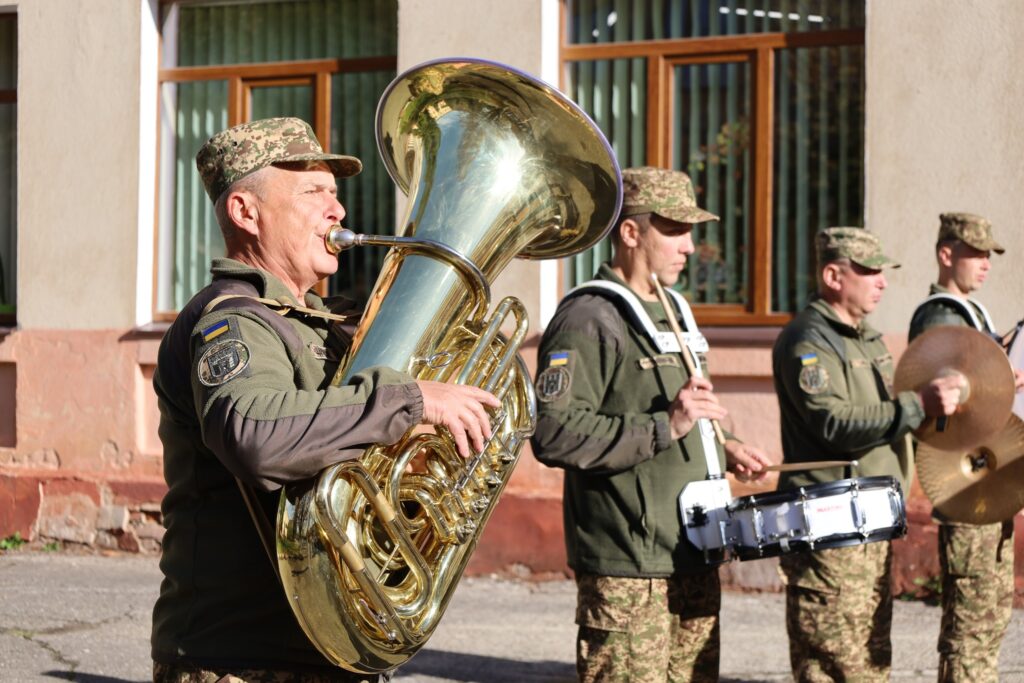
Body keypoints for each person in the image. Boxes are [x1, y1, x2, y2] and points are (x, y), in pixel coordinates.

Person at [150, 117, 499, 683]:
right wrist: (407, 401)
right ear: (245, 212)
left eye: (335, 195)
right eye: (313, 193)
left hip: (334, 652)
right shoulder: (233, 321)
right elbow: (254, 436)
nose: (336, 211)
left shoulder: (330, 324)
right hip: (240, 660)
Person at [531, 166, 773, 683]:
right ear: (631, 232)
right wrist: (668, 426)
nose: (689, 246)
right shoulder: (589, 316)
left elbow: (685, 409)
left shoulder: (674, 309)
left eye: (691, 231)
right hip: (628, 565)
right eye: (675, 230)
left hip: (692, 551)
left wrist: (725, 446)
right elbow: (554, 434)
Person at [771, 227, 963, 682]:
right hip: (829, 527)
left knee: (868, 663)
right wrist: (918, 405)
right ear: (834, 275)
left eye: (883, 271)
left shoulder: (867, 337)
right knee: (832, 662)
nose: (882, 281)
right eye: (869, 270)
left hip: (870, 523)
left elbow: (890, 418)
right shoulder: (809, 340)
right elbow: (835, 426)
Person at [907, 212, 1021, 683]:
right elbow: (949, 401)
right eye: (973, 253)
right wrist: (1001, 381)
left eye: (988, 254)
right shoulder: (941, 315)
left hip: (987, 482)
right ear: (946, 254)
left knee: (988, 618)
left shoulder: (971, 314)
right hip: (966, 485)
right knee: (970, 627)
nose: (984, 263)